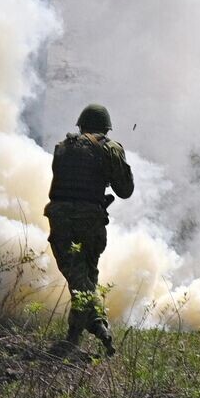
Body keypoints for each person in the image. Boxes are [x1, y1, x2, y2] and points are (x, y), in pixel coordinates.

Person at [44, 104, 134, 357]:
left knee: (78, 276)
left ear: (81, 125)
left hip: (60, 218)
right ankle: (97, 325)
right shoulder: (110, 148)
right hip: (89, 221)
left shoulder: (63, 147)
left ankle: (75, 337)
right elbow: (125, 190)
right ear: (105, 128)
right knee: (85, 276)